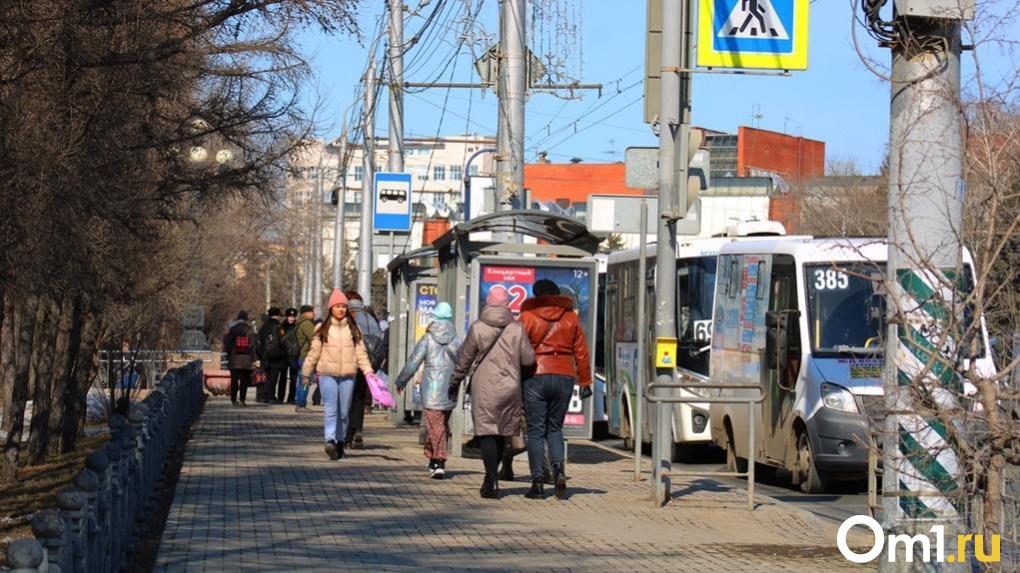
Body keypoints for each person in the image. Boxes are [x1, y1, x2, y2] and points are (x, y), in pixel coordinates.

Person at [451, 288, 535, 499]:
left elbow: (465, 359)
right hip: (510, 386)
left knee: (486, 431)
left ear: (488, 301)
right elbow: (528, 360)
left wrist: (454, 382)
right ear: (508, 303)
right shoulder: (517, 328)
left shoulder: (478, 327)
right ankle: (492, 477)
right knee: (502, 431)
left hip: (484, 387)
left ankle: (490, 479)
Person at [518, 279, 592, 499]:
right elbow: (582, 352)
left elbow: (518, 348)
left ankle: (538, 482)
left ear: (535, 295)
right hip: (565, 375)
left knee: (535, 431)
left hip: (535, 376)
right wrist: (585, 381)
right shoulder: (571, 318)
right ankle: (559, 470)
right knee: (555, 428)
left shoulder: (527, 317)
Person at [301, 289, 375, 460]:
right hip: (327, 374)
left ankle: (340, 442)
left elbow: (361, 353)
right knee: (331, 409)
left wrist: (369, 372)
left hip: (348, 375)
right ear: (331, 308)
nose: (341, 309)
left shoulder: (354, 328)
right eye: (338, 306)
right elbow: (313, 353)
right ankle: (330, 441)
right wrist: (306, 373)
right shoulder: (322, 329)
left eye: (343, 306)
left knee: (344, 412)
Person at [394, 302, 461, 479]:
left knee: (436, 425)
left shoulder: (428, 338)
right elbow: (464, 362)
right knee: (440, 425)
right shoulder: (456, 338)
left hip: (431, 388)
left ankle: (439, 461)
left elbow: (414, 362)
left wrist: (401, 381)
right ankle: (433, 457)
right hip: (450, 388)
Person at [344, 291, 382, 449]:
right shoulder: (371, 319)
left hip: (351, 363)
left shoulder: (348, 319)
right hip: (369, 364)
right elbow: (379, 342)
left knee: (347, 398)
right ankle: (358, 430)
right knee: (360, 398)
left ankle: (346, 435)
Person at [224, 310, 258, 406]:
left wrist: (229, 354)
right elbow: (253, 346)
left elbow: (227, 343)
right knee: (244, 381)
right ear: (246, 319)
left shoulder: (233, 329)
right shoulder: (249, 330)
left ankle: (234, 400)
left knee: (234, 381)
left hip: (234, 360)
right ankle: (242, 400)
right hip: (246, 360)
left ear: (238, 319)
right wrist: (255, 359)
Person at [256, 307, 289, 404]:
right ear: (278, 315)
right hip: (276, 356)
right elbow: (283, 341)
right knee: (274, 377)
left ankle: (263, 396)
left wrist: (261, 354)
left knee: (265, 376)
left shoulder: (263, 326)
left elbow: (258, 341)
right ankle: (270, 396)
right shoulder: (279, 326)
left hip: (264, 356)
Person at [293, 305, 317, 411]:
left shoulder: (299, 323)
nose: (314, 313)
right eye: (311, 311)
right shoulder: (307, 324)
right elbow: (314, 338)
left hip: (300, 356)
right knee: (305, 380)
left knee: (301, 380)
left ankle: (299, 402)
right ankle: (302, 403)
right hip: (305, 356)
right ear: (305, 313)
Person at [281, 308, 301, 403]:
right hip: (284, 353)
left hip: (294, 354)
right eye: (290, 316)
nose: (291, 318)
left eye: (293, 316)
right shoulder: (282, 326)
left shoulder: (298, 326)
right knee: (283, 376)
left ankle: (291, 398)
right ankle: (281, 397)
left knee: (293, 377)